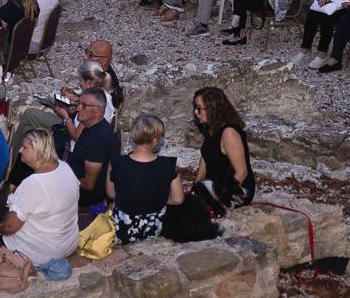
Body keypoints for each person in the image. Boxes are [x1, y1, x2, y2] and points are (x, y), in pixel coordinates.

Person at [0, 129, 80, 271]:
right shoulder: (65, 167)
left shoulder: (33, 183)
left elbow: (10, 227)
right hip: (68, 243)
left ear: (37, 150)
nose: (20, 151)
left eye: (25, 147)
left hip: (44, 253)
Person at [107, 115, 184, 245]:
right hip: (154, 227)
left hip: (123, 228)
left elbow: (111, 194)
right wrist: (157, 199)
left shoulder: (116, 163)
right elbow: (178, 199)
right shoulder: (167, 165)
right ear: (155, 140)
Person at [192, 87, 254, 215]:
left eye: (199, 108)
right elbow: (205, 158)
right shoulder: (210, 130)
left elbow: (242, 172)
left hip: (234, 190)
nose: (196, 112)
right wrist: (195, 188)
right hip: (214, 186)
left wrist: (221, 201)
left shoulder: (229, 133)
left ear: (212, 108)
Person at [62, 87, 115, 209]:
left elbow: (89, 184)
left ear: (97, 111)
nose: (78, 108)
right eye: (79, 103)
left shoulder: (98, 139)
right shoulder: (90, 126)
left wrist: (62, 180)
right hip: (74, 181)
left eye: (84, 105)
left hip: (83, 196)